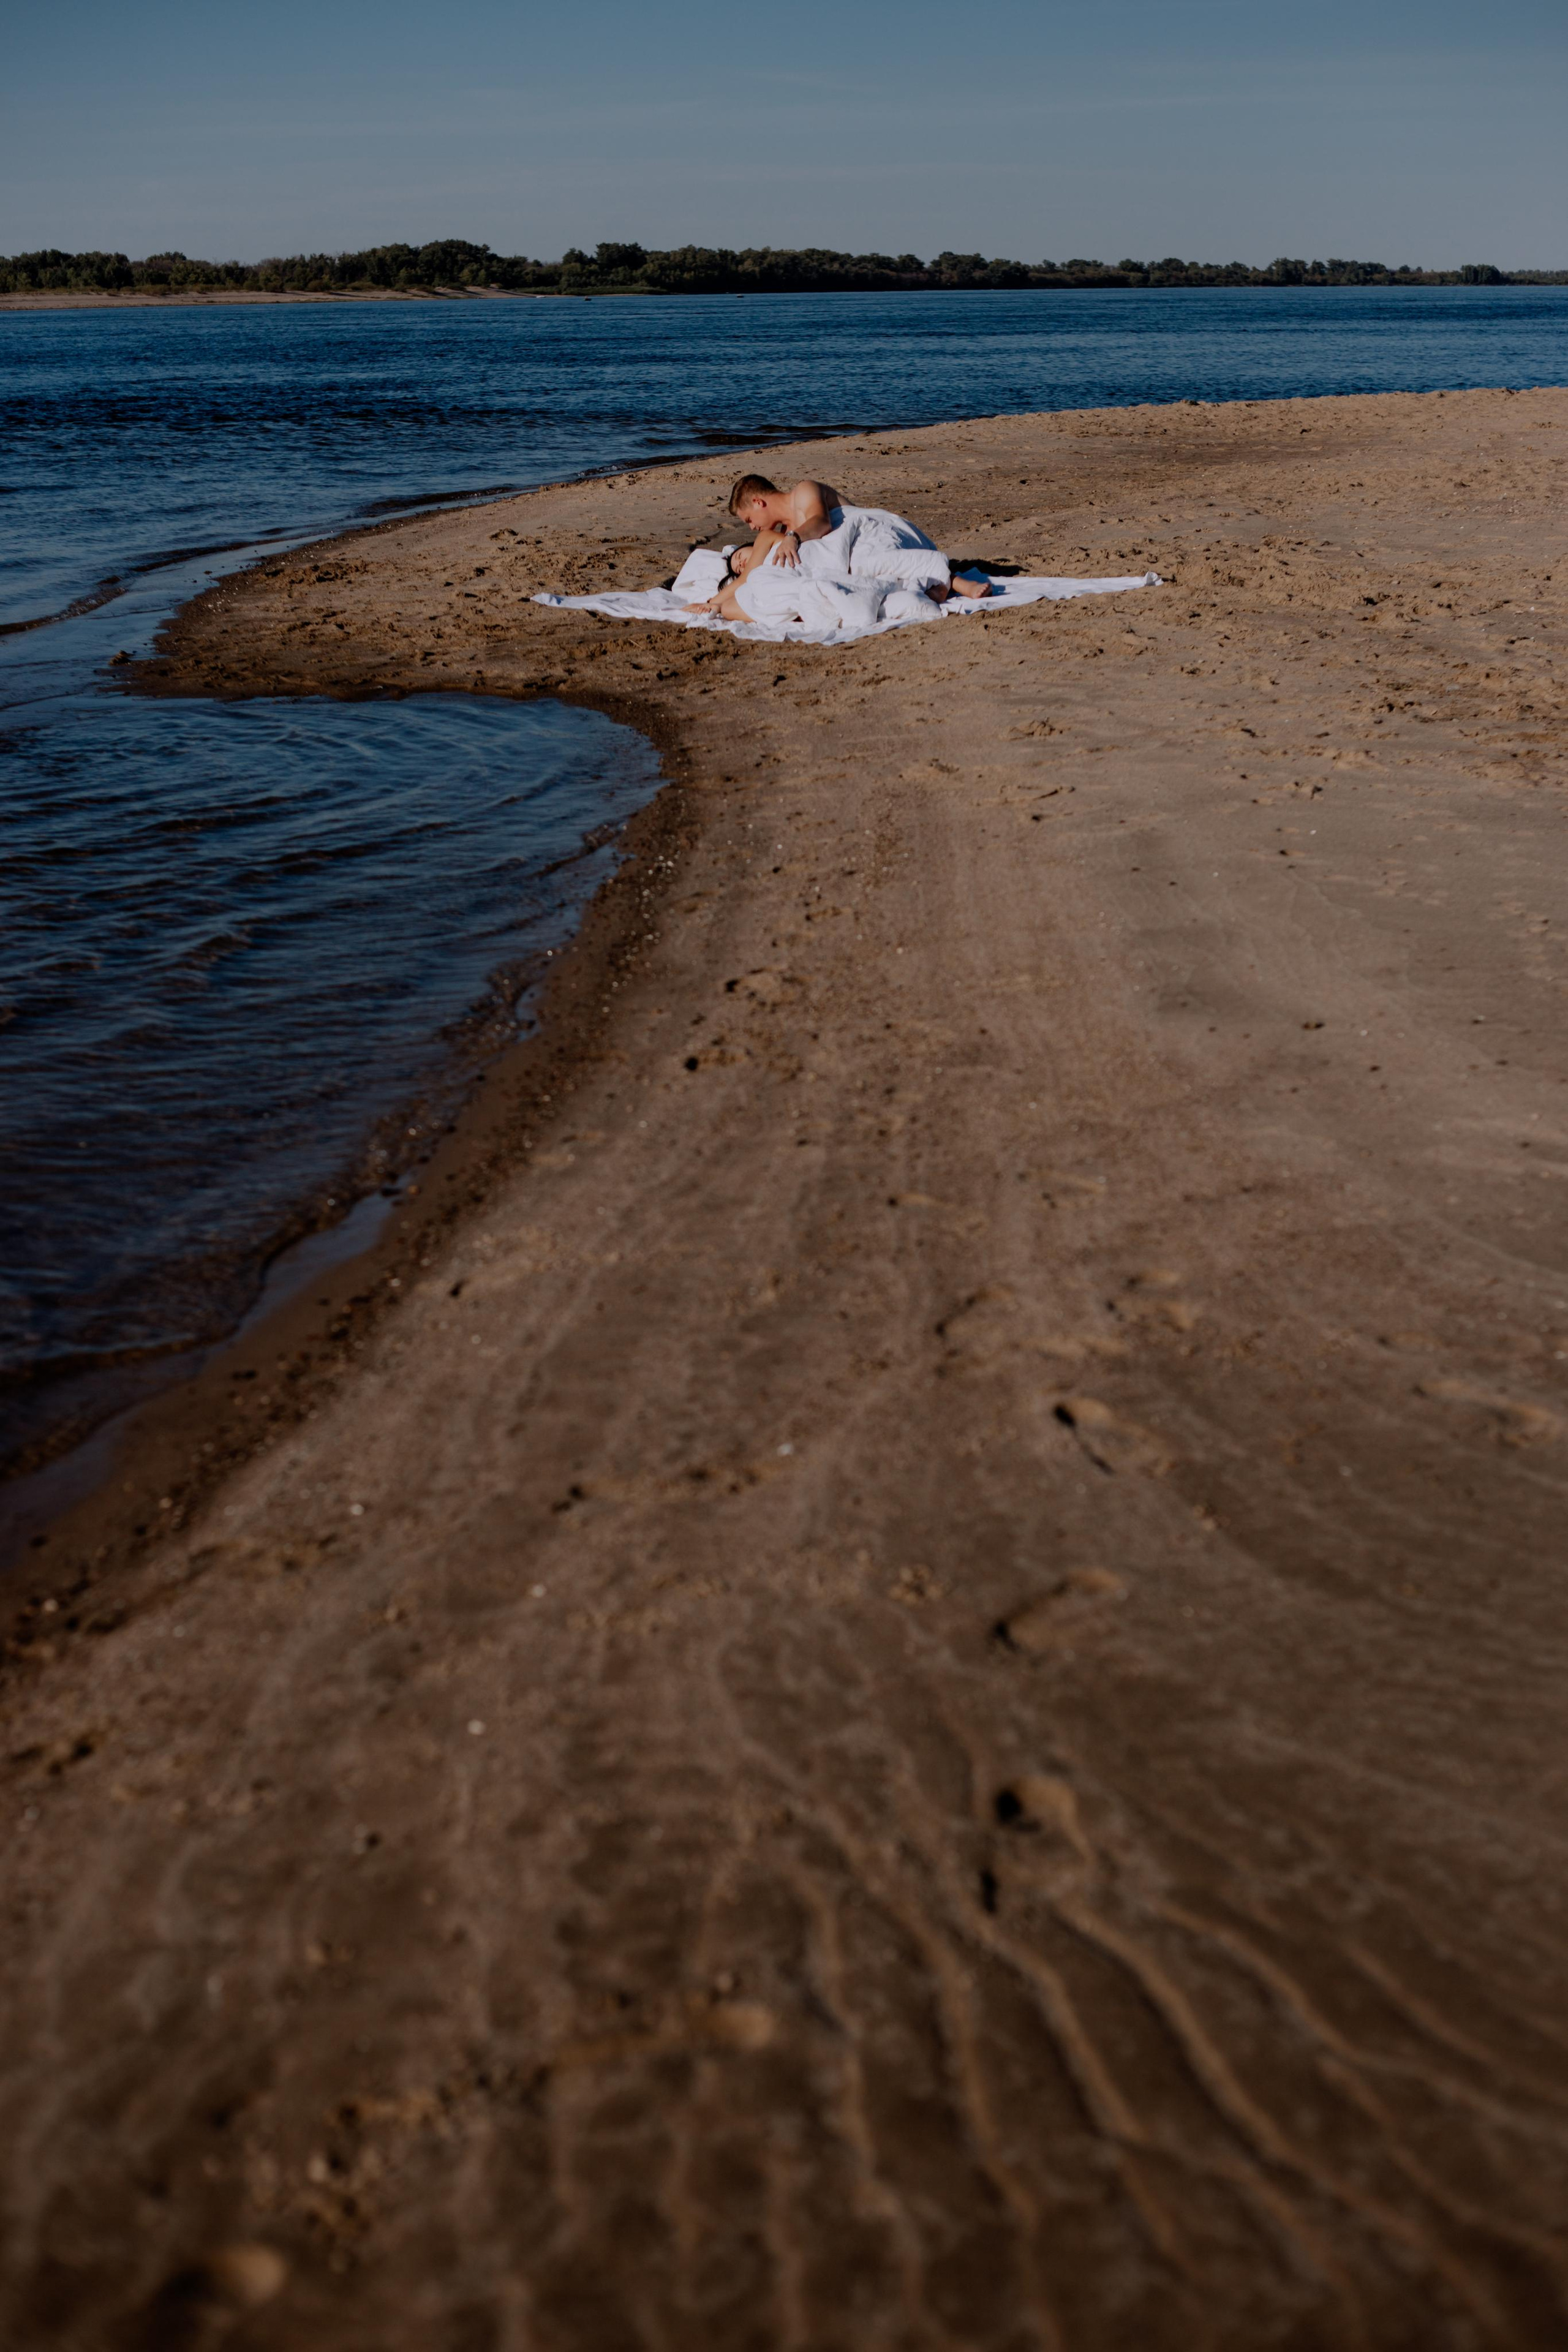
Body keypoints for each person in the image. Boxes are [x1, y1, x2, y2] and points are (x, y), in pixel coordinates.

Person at [726, 473, 993, 603]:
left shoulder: (803, 492)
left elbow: (822, 523)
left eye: (749, 520)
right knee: (861, 578)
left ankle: (954, 579)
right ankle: (935, 587)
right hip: (852, 552)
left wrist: (794, 537)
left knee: (870, 562)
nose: (751, 528)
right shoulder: (784, 534)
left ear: (758, 501)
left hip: (872, 532)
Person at [684, 533, 938, 632]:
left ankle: (817, 606)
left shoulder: (768, 540)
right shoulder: (752, 575)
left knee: (745, 593)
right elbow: (745, 580)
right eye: (735, 569)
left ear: (748, 545)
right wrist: (715, 604)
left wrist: (710, 603)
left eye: (739, 557)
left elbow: (749, 576)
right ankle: (812, 608)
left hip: (798, 572)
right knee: (737, 602)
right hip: (784, 581)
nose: (739, 565)